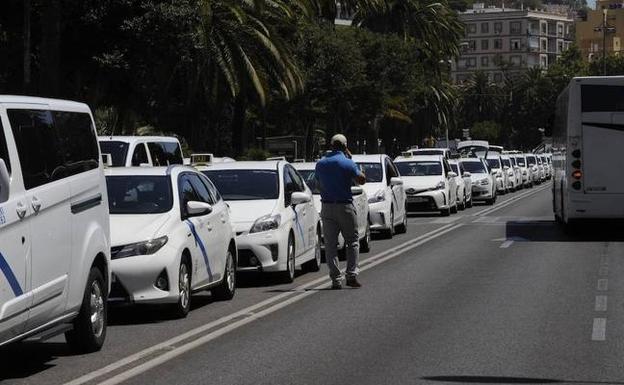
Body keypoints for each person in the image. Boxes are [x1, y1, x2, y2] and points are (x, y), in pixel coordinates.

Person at [315, 134, 366, 289]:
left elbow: (318, 185)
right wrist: (352, 161)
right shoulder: (347, 162)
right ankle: (351, 275)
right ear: (345, 146)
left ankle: (336, 279)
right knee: (352, 242)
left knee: (330, 245)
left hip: (327, 207)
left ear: (331, 145)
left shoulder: (321, 163)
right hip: (345, 206)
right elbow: (362, 179)